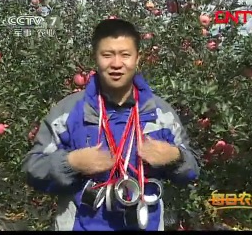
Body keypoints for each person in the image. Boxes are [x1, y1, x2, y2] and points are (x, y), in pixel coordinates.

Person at [22, 18, 201, 231]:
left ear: (137, 59)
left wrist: (175, 158)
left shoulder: (161, 114)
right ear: (95, 58)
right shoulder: (68, 113)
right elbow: (32, 170)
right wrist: (71, 163)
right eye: (107, 55)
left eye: (125, 55)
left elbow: (192, 170)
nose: (116, 64)